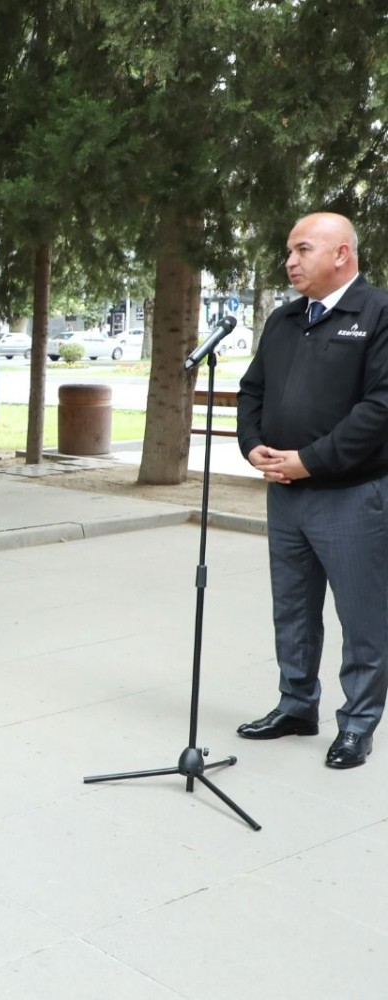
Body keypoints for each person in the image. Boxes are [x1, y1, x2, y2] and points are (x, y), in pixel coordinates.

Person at [236, 211, 388, 769]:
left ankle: (358, 724)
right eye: (289, 251)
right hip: (286, 494)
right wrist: (252, 445)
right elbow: (252, 390)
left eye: (302, 250)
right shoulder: (284, 320)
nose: (290, 261)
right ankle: (297, 705)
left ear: (341, 254)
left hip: (352, 495)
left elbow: (380, 408)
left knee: (363, 615)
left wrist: (310, 461)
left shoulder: (378, 313)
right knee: (293, 609)